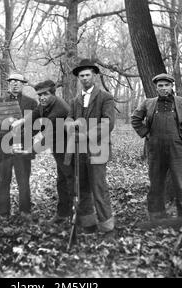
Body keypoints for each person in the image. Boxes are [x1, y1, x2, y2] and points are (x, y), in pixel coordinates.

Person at [131, 73, 182, 221]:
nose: (163, 88)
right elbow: (135, 119)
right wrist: (146, 133)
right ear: (156, 88)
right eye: (160, 86)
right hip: (155, 150)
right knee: (156, 182)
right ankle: (156, 216)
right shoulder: (148, 103)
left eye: (166, 85)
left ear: (171, 86)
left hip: (178, 149)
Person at [64, 59, 116, 238]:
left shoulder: (105, 97)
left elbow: (108, 122)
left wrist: (86, 135)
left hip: (97, 149)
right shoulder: (75, 100)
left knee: (99, 187)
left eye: (88, 75)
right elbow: (69, 119)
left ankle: (107, 227)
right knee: (82, 187)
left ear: (94, 76)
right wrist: (71, 126)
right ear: (78, 78)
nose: (85, 78)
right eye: (82, 76)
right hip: (79, 150)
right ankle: (88, 224)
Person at [11, 80, 73, 224]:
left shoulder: (59, 109)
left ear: (53, 93)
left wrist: (30, 151)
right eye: (39, 95)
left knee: (71, 181)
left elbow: (47, 137)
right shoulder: (46, 104)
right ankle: (63, 214)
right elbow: (34, 114)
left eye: (45, 94)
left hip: (69, 150)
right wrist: (20, 122)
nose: (42, 98)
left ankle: (78, 216)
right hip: (59, 149)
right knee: (62, 181)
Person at [0, 73, 38, 220]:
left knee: (23, 181)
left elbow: (36, 126)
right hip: (3, 148)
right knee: (3, 180)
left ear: (23, 84)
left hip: (22, 148)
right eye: (12, 82)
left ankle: (25, 211)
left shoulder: (31, 103)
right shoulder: (0, 101)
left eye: (19, 82)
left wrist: (22, 133)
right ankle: (2, 212)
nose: (15, 84)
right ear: (9, 84)